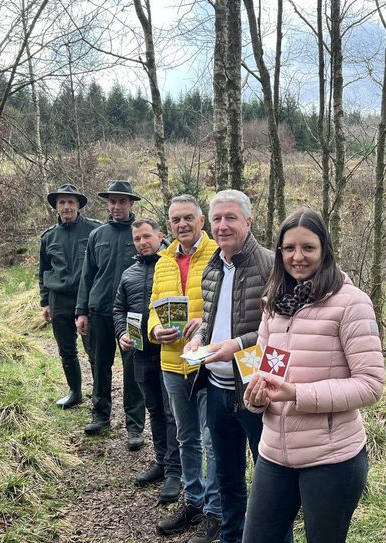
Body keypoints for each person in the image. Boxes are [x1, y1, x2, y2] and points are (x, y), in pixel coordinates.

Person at [241, 209, 385, 543]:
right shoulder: (273, 303)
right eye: (289, 248)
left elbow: (370, 384)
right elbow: (262, 371)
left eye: (308, 248)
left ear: (324, 250)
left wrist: (296, 394)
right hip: (274, 452)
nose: (297, 257)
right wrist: (255, 397)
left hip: (331, 458)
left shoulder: (351, 303)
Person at [183, 189, 288, 543]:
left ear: (249, 221)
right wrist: (201, 339)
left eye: (230, 218)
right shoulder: (212, 267)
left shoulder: (272, 266)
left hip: (256, 392)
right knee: (227, 479)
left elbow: (285, 333)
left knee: (271, 483)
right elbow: (214, 321)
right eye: (216, 219)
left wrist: (237, 346)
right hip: (216, 388)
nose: (223, 226)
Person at [150, 195, 222, 543]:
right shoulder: (163, 261)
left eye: (188, 218)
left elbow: (226, 305)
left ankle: (215, 510)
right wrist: (154, 330)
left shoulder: (217, 254)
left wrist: (204, 323)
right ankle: (193, 501)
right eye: (175, 220)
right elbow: (153, 307)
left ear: (201, 221)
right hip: (170, 362)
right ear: (170, 225)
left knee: (211, 439)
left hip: (205, 361)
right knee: (185, 435)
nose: (182, 225)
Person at [113, 218, 182, 502]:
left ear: (159, 235)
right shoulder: (128, 274)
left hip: (169, 352)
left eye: (146, 237)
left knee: (172, 412)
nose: (142, 243)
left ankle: (176, 472)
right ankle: (162, 462)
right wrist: (121, 334)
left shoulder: (172, 265)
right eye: (137, 239)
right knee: (154, 409)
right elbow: (118, 309)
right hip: (141, 353)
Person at [75, 180, 146, 449]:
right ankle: (100, 414)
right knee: (100, 365)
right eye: (112, 201)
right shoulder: (97, 235)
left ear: (131, 204)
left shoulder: (140, 235)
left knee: (133, 370)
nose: (117, 206)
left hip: (133, 315)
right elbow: (87, 275)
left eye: (122, 202)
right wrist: (82, 311)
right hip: (99, 311)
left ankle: (135, 426)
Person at [38, 184, 101, 409]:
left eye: (70, 202)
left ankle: (99, 394)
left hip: (87, 299)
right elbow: (44, 269)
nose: (66, 207)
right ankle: (75, 392)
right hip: (59, 300)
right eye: (62, 203)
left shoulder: (95, 230)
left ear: (78, 205)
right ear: (56, 207)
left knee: (94, 349)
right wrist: (45, 301)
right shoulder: (48, 237)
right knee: (66, 349)